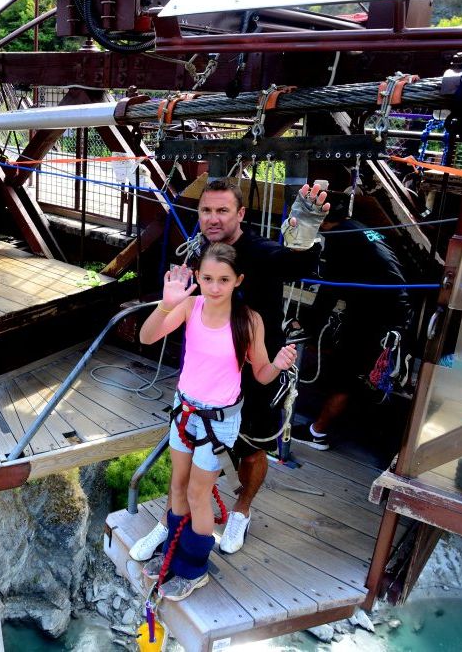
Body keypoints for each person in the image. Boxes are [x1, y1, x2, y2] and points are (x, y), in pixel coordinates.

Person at [129, 178, 328, 561]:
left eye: (222, 210)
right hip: (208, 378)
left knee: (253, 449)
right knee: (185, 466)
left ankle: (241, 511)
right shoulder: (202, 252)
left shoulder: (260, 251)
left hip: (257, 368)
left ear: (240, 213)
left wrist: (304, 234)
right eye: (206, 210)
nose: (213, 218)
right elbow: (163, 323)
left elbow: (295, 262)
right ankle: (172, 522)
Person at [137, 244, 297, 599]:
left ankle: (194, 569)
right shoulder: (189, 307)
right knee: (178, 486)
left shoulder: (248, 321)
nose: (214, 286)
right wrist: (166, 303)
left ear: (238, 280)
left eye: (223, 280)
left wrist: (279, 364)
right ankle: (175, 554)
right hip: (185, 412)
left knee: (197, 493)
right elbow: (146, 337)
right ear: (197, 276)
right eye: (207, 278)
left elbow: (262, 373)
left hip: (218, 421)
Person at [291, 196, 412, 450]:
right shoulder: (360, 229)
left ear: (322, 220)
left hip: (375, 317)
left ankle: (318, 433)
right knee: (351, 372)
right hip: (395, 310)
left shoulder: (340, 238)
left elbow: (329, 289)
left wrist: (307, 325)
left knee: (344, 375)